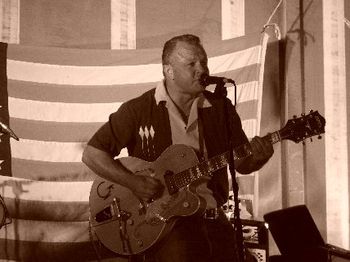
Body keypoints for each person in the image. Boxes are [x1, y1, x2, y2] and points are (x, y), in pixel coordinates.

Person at [82, 34, 274, 262]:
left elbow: (240, 164)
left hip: (212, 216)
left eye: (203, 62)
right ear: (169, 71)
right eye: (191, 64)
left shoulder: (220, 108)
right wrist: (134, 182)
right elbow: (93, 154)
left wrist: (260, 156)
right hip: (167, 224)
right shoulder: (139, 109)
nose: (202, 69)